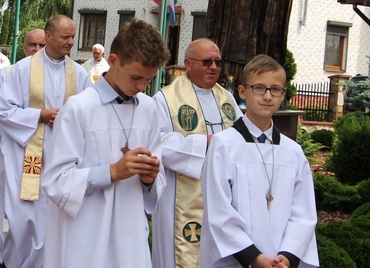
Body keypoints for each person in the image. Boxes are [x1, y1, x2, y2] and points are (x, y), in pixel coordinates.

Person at [41, 19, 170, 267]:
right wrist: (111, 172)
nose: (141, 87)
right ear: (113, 61)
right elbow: (56, 181)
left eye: (149, 80)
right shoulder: (79, 108)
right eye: (136, 77)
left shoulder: (149, 109)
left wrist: (150, 179)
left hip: (130, 234)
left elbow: (156, 185)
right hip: (86, 235)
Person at [0, 15, 91, 268]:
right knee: (22, 219)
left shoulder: (80, 73)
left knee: (52, 220)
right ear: (50, 36)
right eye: (66, 37)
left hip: (62, 156)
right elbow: (2, 110)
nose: (71, 42)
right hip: (26, 157)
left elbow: (89, 113)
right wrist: (40, 115)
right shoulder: (21, 69)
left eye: (73, 37)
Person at [201, 55, 319, 268]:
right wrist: (255, 258)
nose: (267, 96)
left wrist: (288, 255)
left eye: (275, 89)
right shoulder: (224, 145)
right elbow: (218, 211)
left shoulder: (293, 152)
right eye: (259, 88)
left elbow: (304, 212)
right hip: (240, 260)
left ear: (283, 95)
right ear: (242, 92)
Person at [151, 38, 242, 267]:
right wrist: (206, 144)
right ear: (188, 64)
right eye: (207, 61)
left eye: (218, 62)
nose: (214, 67)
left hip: (224, 195)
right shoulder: (165, 99)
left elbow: (242, 141)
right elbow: (157, 143)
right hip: (181, 196)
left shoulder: (227, 99)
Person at [0, 28, 45, 265]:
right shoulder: (7, 73)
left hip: (44, 156)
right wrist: (17, 134)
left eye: (41, 46)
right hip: (11, 152)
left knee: (39, 210)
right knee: (10, 208)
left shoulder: (55, 77)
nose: (36, 50)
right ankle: (8, 254)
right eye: (32, 45)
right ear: (24, 47)